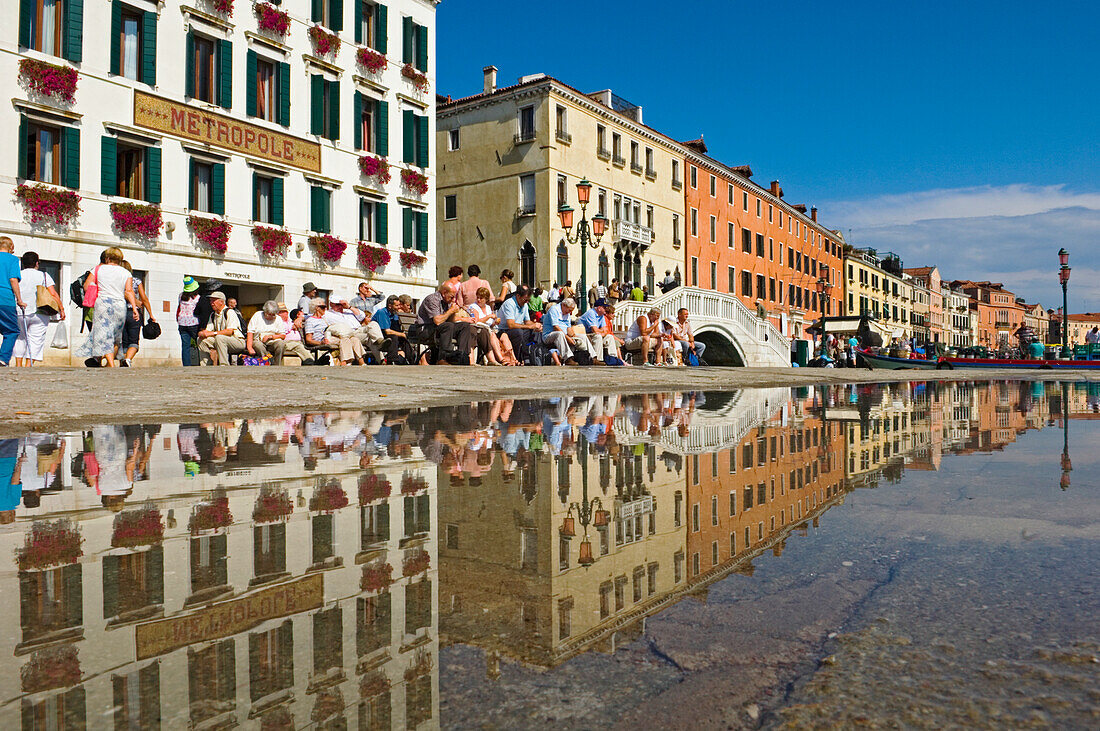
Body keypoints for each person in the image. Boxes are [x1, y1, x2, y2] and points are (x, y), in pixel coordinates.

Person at [78, 247, 137, 368]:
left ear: (107, 258)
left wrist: (96, 291)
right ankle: (109, 364)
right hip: (120, 305)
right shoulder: (126, 273)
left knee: (103, 335)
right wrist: (135, 309)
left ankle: (110, 364)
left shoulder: (98, 269)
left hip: (103, 304)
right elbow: (129, 291)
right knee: (116, 336)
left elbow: (86, 285)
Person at [13, 250, 64, 366]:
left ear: (23, 263)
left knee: (19, 338)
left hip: (20, 311)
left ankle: (18, 365)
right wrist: (61, 308)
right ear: (37, 263)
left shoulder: (18, 275)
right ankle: (28, 365)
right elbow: (53, 293)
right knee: (36, 339)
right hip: (40, 312)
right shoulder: (44, 275)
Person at [416, 282, 475, 364]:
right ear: (444, 293)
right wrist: (450, 311)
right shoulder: (432, 299)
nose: (453, 299)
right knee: (448, 326)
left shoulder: (447, 301)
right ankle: (443, 358)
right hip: (426, 329)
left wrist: (453, 311)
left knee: (464, 326)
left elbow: (451, 320)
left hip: (441, 329)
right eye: (451, 297)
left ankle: (462, 356)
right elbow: (437, 321)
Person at [119, 261, 155, 367]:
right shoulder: (136, 281)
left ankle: (124, 359)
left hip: (119, 313)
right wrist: (150, 314)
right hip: (133, 313)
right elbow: (144, 298)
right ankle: (128, 359)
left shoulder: (116, 282)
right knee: (134, 340)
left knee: (124, 340)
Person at [466, 286, 512, 365]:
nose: (479, 300)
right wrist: (489, 316)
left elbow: (490, 324)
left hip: (490, 329)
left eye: (481, 298)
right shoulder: (473, 307)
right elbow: (476, 321)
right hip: (480, 329)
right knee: (493, 335)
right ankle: (500, 359)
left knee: (504, 336)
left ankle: (512, 359)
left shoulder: (487, 307)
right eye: (478, 298)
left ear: (486, 300)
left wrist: (495, 322)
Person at [197, 291, 246, 365]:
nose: (211, 303)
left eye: (214, 300)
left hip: (237, 341)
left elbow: (230, 331)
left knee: (219, 337)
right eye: (211, 300)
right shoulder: (213, 315)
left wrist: (213, 333)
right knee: (201, 339)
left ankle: (224, 365)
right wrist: (202, 333)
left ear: (221, 302)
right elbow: (208, 331)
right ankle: (206, 365)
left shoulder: (230, 312)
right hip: (220, 340)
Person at [370, 294, 416, 364]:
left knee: (404, 339)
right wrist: (402, 334)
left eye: (399, 305)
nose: (399, 307)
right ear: (390, 306)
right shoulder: (382, 312)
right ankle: (393, 360)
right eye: (396, 305)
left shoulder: (394, 314)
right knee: (394, 337)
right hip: (380, 337)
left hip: (391, 335)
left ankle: (412, 360)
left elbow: (397, 329)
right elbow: (387, 331)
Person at [0, 237, 25, 367]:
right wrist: (19, 300)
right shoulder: (12, 260)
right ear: (11, 247)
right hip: (4, 299)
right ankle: (3, 358)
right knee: (11, 330)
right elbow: (13, 279)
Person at [542, 297, 590, 364]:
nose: (570, 313)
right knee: (559, 334)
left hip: (564, 335)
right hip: (549, 335)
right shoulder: (554, 310)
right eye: (569, 310)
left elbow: (569, 328)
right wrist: (568, 338)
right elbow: (556, 327)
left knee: (582, 336)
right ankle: (568, 358)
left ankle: (593, 357)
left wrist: (573, 336)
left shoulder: (567, 314)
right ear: (563, 305)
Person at [579, 299, 622, 364]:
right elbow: (595, 330)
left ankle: (612, 358)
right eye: (604, 307)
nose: (606, 309)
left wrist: (600, 332)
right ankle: (598, 359)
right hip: (585, 334)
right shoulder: (591, 313)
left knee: (609, 337)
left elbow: (605, 330)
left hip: (593, 334)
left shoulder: (601, 316)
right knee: (598, 337)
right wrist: (601, 331)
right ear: (599, 308)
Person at [499, 284, 540, 352]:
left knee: (534, 332)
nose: (527, 302)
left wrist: (536, 325)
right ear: (518, 296)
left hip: (516, 328)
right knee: (518, 332)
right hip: (504, 330)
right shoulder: (509, 304)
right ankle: (517, 358)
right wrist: (529, 327)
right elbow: (511, 325)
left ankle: (529, 356)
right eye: (525, 299)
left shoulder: (525, 305)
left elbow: (527, 321)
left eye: (528, 300)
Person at [176, 276, 202, 367]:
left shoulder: (181, 296)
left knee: (185, 346)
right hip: (193, 322)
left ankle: (186, 365)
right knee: (199, 344)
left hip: (182, 322)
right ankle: (200, 363)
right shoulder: (197, 298)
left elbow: (178, 308)